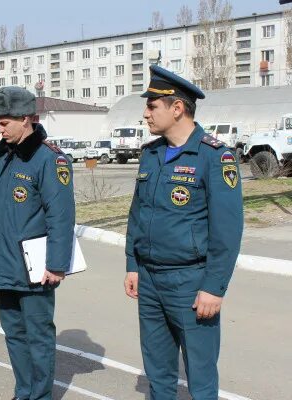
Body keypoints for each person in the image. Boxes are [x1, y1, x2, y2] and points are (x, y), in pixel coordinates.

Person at [124, 65, 243, 399]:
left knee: (201, 378)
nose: (145, 113)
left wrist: (214, 287)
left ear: (177, 108)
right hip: (149, 280)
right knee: (158, 374)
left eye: (152, 106)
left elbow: (227, 230)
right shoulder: (151, 154)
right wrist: (132, 264)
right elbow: (138, 213)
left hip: (190, 284)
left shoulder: (215, 157)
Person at [0, 86, 75, 400]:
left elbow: (61, 216)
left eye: (6, 121)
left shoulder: (49, 159)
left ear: (26, 119)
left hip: (36, 268)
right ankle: (23, 391)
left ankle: (39, 395)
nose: (0, 127)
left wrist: (56, 265)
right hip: (4, 264)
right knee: (14, 335)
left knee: (37, 337)